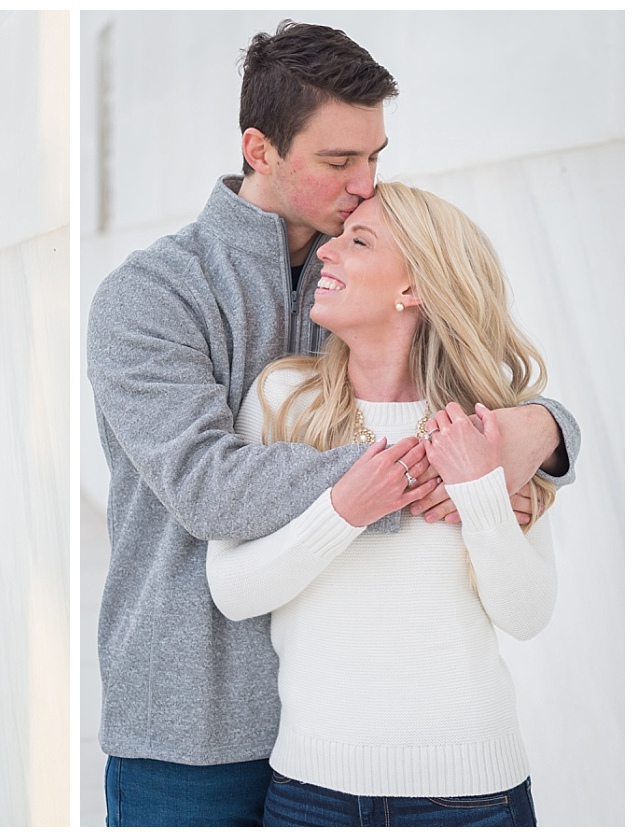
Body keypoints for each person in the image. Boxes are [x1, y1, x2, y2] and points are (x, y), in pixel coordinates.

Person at [84, 21, 579, 826]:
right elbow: (208, 486)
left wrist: (543, 433)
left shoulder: (361, 274)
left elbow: (472, 365)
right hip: (191, 731)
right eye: (339, 160)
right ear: (260, 149)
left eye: (375, 156)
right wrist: (429, 471)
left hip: (329, 735)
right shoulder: (150, 297)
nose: (364, 183)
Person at [206, 182, 553, 827]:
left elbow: (528, 615)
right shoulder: (283, 400)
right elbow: (231, 591)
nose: (326, 252)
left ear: (413, 287)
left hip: (474, 795)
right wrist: (343, 511)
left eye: (358, 241)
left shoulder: (490, 426)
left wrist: (480, 494)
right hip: (311, 793)